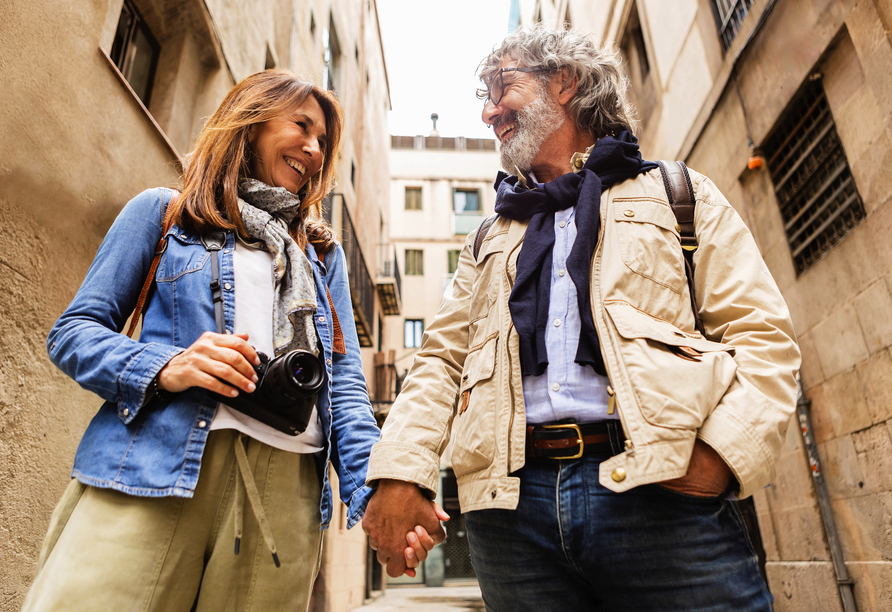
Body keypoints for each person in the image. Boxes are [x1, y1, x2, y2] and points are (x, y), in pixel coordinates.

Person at [362, 26, 800, 611]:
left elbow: (761, 335)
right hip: (511, 516)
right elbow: (441, 361)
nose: (490, 113)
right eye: (484, 100)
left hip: (663, 498)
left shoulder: (678, 193)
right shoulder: (490, 237)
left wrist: (720, 457)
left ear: (564, 82)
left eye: (502, 88)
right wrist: (401, 472)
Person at [25, 69, 434, 612]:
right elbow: (72, 333)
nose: (313, 149)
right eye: (302, 126)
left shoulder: (321, 256)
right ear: (251, 121)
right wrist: (170, 364)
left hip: (284, 489)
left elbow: (345, 389)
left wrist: (373, 495)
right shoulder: (164, 213)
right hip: (154, 468)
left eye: (323, 143)